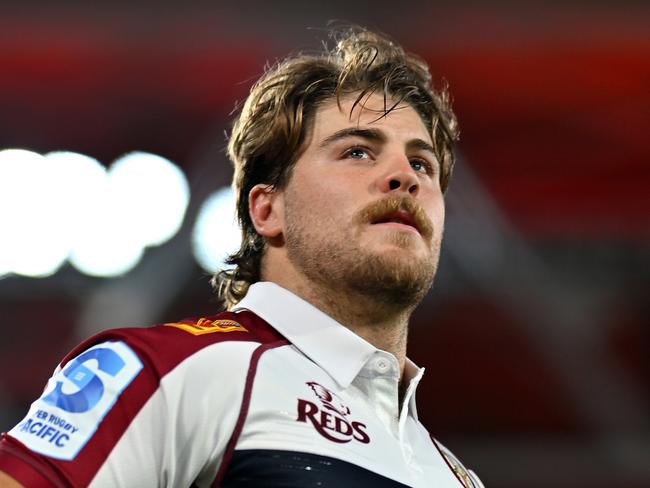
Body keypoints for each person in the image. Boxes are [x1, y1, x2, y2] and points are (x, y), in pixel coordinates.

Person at [0, 26, 484, 487]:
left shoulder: (454, 473)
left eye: (422, 162)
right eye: (357, 152)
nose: (406, 176)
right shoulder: (171, 369)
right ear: (267, 209)